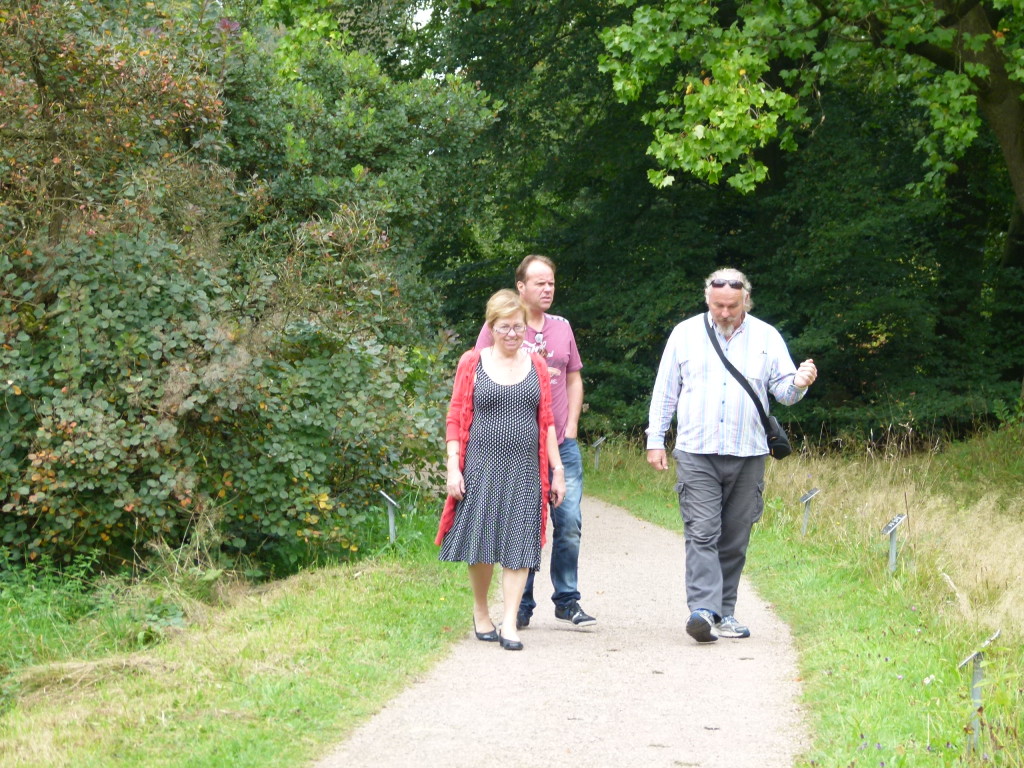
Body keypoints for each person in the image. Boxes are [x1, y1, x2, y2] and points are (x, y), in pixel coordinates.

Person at [645, 268, 817, 643]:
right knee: (703, 530)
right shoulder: (685, 334)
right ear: (708, 300)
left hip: (748, 452)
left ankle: (725, 612)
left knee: (735, 536)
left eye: (732, 307)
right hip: (696, 450)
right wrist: (655, 439)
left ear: (746, 302)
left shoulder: (767, 337)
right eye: (718, 305)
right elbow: (665, 391)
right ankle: (703, 611)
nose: (724, 313)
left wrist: (800, 384)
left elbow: (785, 393)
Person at [437, 289, 566, 651]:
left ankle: (510, 621)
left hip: (526, 470)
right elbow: (454, 417)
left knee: (520, 544)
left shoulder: (536, 365)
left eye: (519, 327)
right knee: (481, 545)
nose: (513, 334)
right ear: (491, 327)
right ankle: (482, 612)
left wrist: (557, 470)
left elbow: (548, 423)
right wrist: (453, 467)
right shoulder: (472, 362)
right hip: (481, 467)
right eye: (505, 327)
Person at [475, 255, 596, 630]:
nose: (547, 289)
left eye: (552, 283)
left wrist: (572, 426)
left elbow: (573, 377)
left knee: (569, 521)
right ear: (521, 287)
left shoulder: (562, 328)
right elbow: (476, 372)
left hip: (561, 442)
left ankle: (567, 600)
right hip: (517, 447)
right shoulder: (501, 327)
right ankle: (521, 605)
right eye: (539, 283)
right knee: (522, 524)